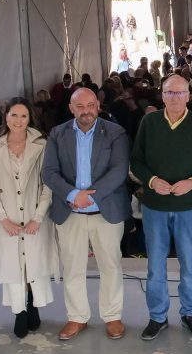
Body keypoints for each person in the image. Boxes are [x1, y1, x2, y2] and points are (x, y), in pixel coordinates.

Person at [129, 74, 192, 342]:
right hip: (155, 207)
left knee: (190, 263)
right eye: (169, 93)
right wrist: (152, 181)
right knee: (155, 264)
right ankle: (157, 316)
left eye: (180, 93)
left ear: (189, 95)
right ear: (162, 95)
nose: (175, 98)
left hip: (189, 207)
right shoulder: (150, 122)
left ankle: (190, 313)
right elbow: (137, 161)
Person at [42, 88, 130, 341]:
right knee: (72, 268)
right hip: (70, 213)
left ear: (98, 106)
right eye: (80, 106)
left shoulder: (115, 132)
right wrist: (72, 195)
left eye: (91, 105)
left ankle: (112, 316)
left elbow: (119, 171)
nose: (86, 111)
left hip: (106, 211)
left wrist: (88, 196)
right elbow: (48, 172)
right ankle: (77, 317)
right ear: (71, 108)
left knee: (110, 266)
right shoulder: (57, 134)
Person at [0, 98, 56, 339]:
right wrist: (3, 219)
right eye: (14, 115)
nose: (18, 121)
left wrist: (37, 217)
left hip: (35, 216)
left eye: (23, 116)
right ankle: (19, 312)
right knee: (14, 266)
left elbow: (49, 184)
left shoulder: (42, 145)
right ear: (6, 117)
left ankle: (33, 305)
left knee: (33, 263)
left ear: (30, 119)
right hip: (6, 217)